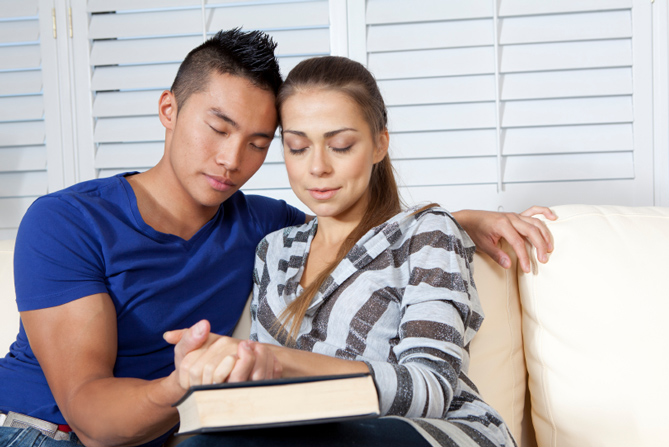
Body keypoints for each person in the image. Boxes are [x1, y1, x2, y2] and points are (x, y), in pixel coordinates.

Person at [0, 29, 553, 447]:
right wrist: (183, 384)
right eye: (218, 129)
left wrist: (457, 221)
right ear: (168, 109)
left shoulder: (263, 227)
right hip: (47, 432)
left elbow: (365, 235)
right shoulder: (67, 223)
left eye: (258, 142)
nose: (231, 160)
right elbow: (91, 417)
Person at [172, 56, 529, 447]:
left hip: (431, 433)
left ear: (379, 144)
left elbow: (431, 389)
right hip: (313, 431)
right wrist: (214, 368)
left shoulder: (425, 232)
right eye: (297, 147)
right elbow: (265, 396)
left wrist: (275, 360)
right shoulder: (273, 250)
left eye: (340, 146)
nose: (317, 167)